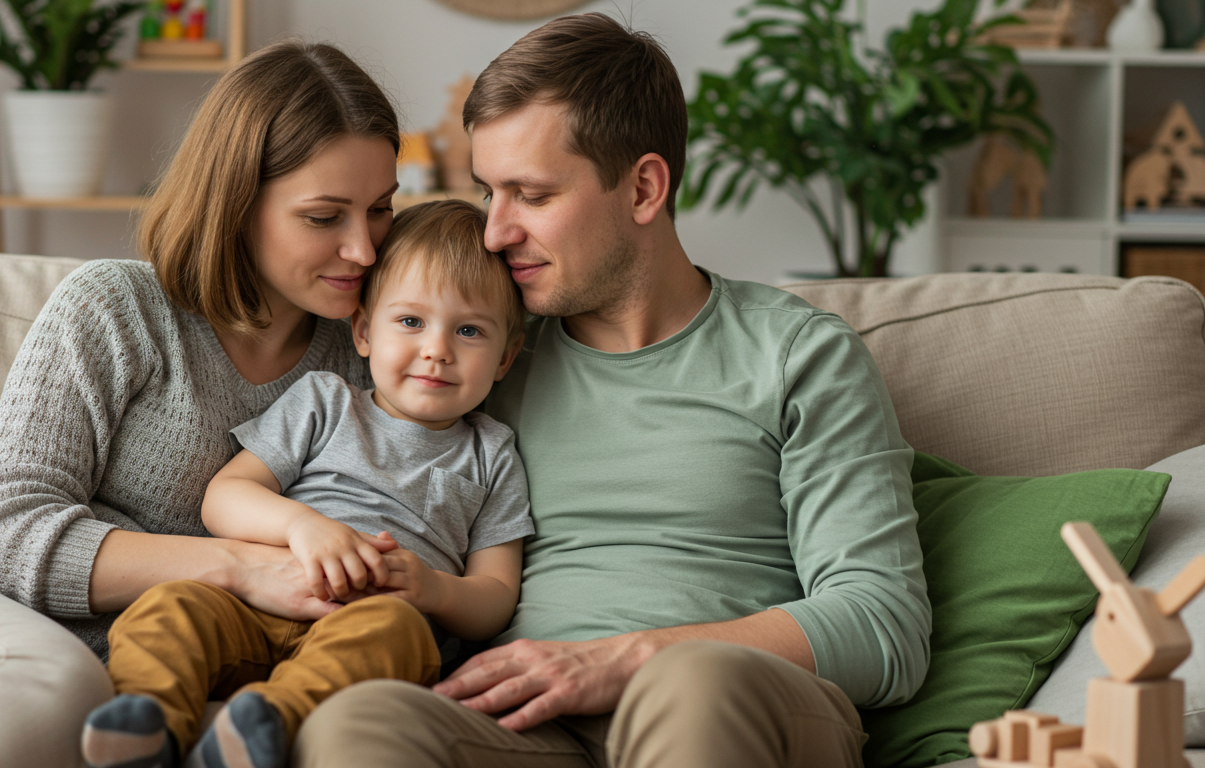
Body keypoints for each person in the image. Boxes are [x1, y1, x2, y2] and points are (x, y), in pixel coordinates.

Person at [295, 13, 933, 768]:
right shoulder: (483, 358)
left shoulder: (796, 355)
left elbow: (884, 624)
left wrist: (621, 660)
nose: (495, 233)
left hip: (734, 700)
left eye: (530, 195)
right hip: (533, 721)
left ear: (643, 188)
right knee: (363, 723)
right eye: (488, 193)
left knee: (691, 685)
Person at [0, 39, 423, 765]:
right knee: (53, 694)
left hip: (180, 659)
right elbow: (2, 534)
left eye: (380, 210)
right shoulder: (117, 307)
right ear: (237, 202)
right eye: (324, 216)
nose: (364, 250)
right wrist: (237, 566)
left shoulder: (369, 356)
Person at [79, 200, 534, 768]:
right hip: (256, 601)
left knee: (395, 633)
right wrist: (303, 526)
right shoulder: (325, 401)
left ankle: (265, 723)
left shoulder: (492, 454)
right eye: (411, 322)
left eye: (468, 331)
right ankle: (147, 722)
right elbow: (225, 496)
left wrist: (435, 589)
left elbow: (495, 596)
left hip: (371, 622)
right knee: (171, 605)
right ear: (364, 331)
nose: (436, 350)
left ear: (505, 358)